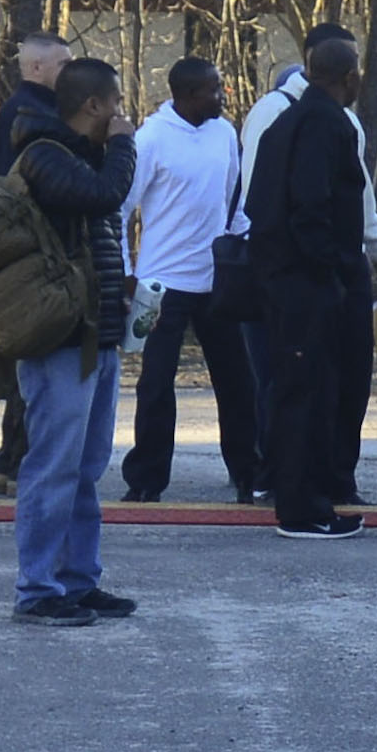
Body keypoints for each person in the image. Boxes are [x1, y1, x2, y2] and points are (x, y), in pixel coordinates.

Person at [239, 22, 377, 506]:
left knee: (344, 381)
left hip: (331, 266)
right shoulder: (285, 116)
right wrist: (323, 268)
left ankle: (334, 479)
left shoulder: (335, 119)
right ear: (344, 74)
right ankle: (290, 486)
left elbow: (361, 204)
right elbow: (279, 203)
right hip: (307, 271)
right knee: (295, 382)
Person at [6, 58, 139, 627]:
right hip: (60, 338)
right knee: (53, 466)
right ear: (93, 106)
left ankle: (78, 580)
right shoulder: (43, 156)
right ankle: (36, 590)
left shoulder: (79, 157)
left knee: (86, 468)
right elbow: (107, 196)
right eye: (114, 104)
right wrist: (126, 146)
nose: (121, 114)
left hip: (98, 336)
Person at [118, 56, 263, 504]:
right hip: (160, 285)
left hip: (217, 281)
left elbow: (235, 205)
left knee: (237, 381)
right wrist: (126, 273)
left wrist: (246, 251)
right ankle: (146, 480)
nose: (223, 96)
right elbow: (121, 210)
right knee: (157, 382)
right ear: (186, 95)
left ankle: (248, 474)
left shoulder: (224, 134)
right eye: (214, 90)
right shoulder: (152, 138)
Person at [0, 30, 72, 498]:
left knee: (26, 359)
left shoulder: (23, 111)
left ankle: (9, 460)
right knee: (35, 359)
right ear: (36, 68)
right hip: (35, 253)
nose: (69, 73)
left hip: (26, 252)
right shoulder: (31, 114)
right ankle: (20, 464)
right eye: (62, 64)